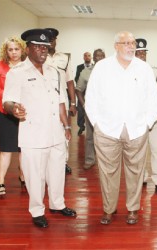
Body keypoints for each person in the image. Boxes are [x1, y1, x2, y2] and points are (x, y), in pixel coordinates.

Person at [2, 28, 77, 228]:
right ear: (28, 49)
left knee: (57, 172)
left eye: (45, 47)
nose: (43, 51)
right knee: (35, 175)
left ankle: (57, 204)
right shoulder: (17, 73)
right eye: (38, 47)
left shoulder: (55, 72)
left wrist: (67, 125)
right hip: (33, 134)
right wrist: (13, 109)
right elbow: (7, 101)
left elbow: (61, 101)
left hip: (56, 132)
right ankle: (37, 211)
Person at [85, 31, 157, 225]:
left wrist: (147, 123)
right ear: (116, 46)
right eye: (126, 43)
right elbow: (90, 98)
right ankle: (109, 209)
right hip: (107, 130)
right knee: (107, 172)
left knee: (136, 171)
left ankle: (133, 209)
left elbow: (153, 98)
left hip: (136, 129)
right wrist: (97, 124)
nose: (131, 46)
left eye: (133, 43)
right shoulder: (102, 67)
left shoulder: (144, 68)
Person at [0, 36, 26, 197]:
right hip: (6, 112)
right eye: (10, 49)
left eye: (16, 49)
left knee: (23, 148)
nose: (13, 52)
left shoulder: (28, 66)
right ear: (6, 51)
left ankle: (23, 175)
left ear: (22, 49)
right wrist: (9, 100)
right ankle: (0, 181)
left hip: (24, 112)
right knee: (6, 149)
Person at [135, 38, 157, 195]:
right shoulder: (127, 72)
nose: (142, 55)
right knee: (139, 152)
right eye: (139, 52)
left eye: (144, 52)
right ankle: (141, 177)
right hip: (136, 121)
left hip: (156, 119)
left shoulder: (156, 71)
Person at [45, 28, 76, 175]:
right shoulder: (40, 56)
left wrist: (73, 103)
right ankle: (47, 162)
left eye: (53, 38)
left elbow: (70, 81)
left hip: (62, 97)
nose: (51, 41)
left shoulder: (64, 57)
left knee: (65, 129)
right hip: (44, 98)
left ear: (56, 40)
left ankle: (63, 162)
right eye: (48, 38)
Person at [75, 49, 106, 170]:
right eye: (96, 56)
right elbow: (78, 90)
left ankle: (105, 160)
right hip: (92, 110)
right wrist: (84, 105)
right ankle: (89, 159)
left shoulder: (112, 71)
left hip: (108, 110)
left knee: (108, 136)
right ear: (93, 58)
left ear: (104, 57)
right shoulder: (86, 72)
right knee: (90, 136)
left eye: (101, 56)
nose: (99, 58)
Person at [75, 52, 92, 136]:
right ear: (83, 57)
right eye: (85, 55)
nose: (87, 57)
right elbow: (76, 78)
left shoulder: (94, 67)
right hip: (81, 91)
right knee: (81, 108)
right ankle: (81, 126)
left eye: (89, 55)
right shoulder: (79, 67)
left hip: (91, 92)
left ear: (91, 57)